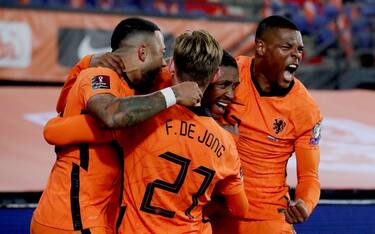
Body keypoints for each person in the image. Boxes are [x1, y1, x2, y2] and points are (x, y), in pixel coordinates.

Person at [44, 30, 248, 233]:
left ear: (171, 66)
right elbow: (240, 208)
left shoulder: (142, 122)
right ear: (215, 75)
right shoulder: (226, 143)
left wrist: (84, 64)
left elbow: (54, 132)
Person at [31, 17, 202, 234]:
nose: (162, 63)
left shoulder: (138, 86)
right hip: (73, 221)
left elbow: (56, 122)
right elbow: (111, 115)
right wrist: (173, 94)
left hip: (94, 218)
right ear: (142, 52)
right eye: (161, 52)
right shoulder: (100, 76)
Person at [211, 15, 322, 234]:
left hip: (268, 219)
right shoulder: (230, 76)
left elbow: (309, 176)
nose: (296, 55)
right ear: (260, 47)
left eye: (299, 49)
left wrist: (304, 203)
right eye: (286, 47)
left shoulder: (306, 110)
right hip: (215, 213)